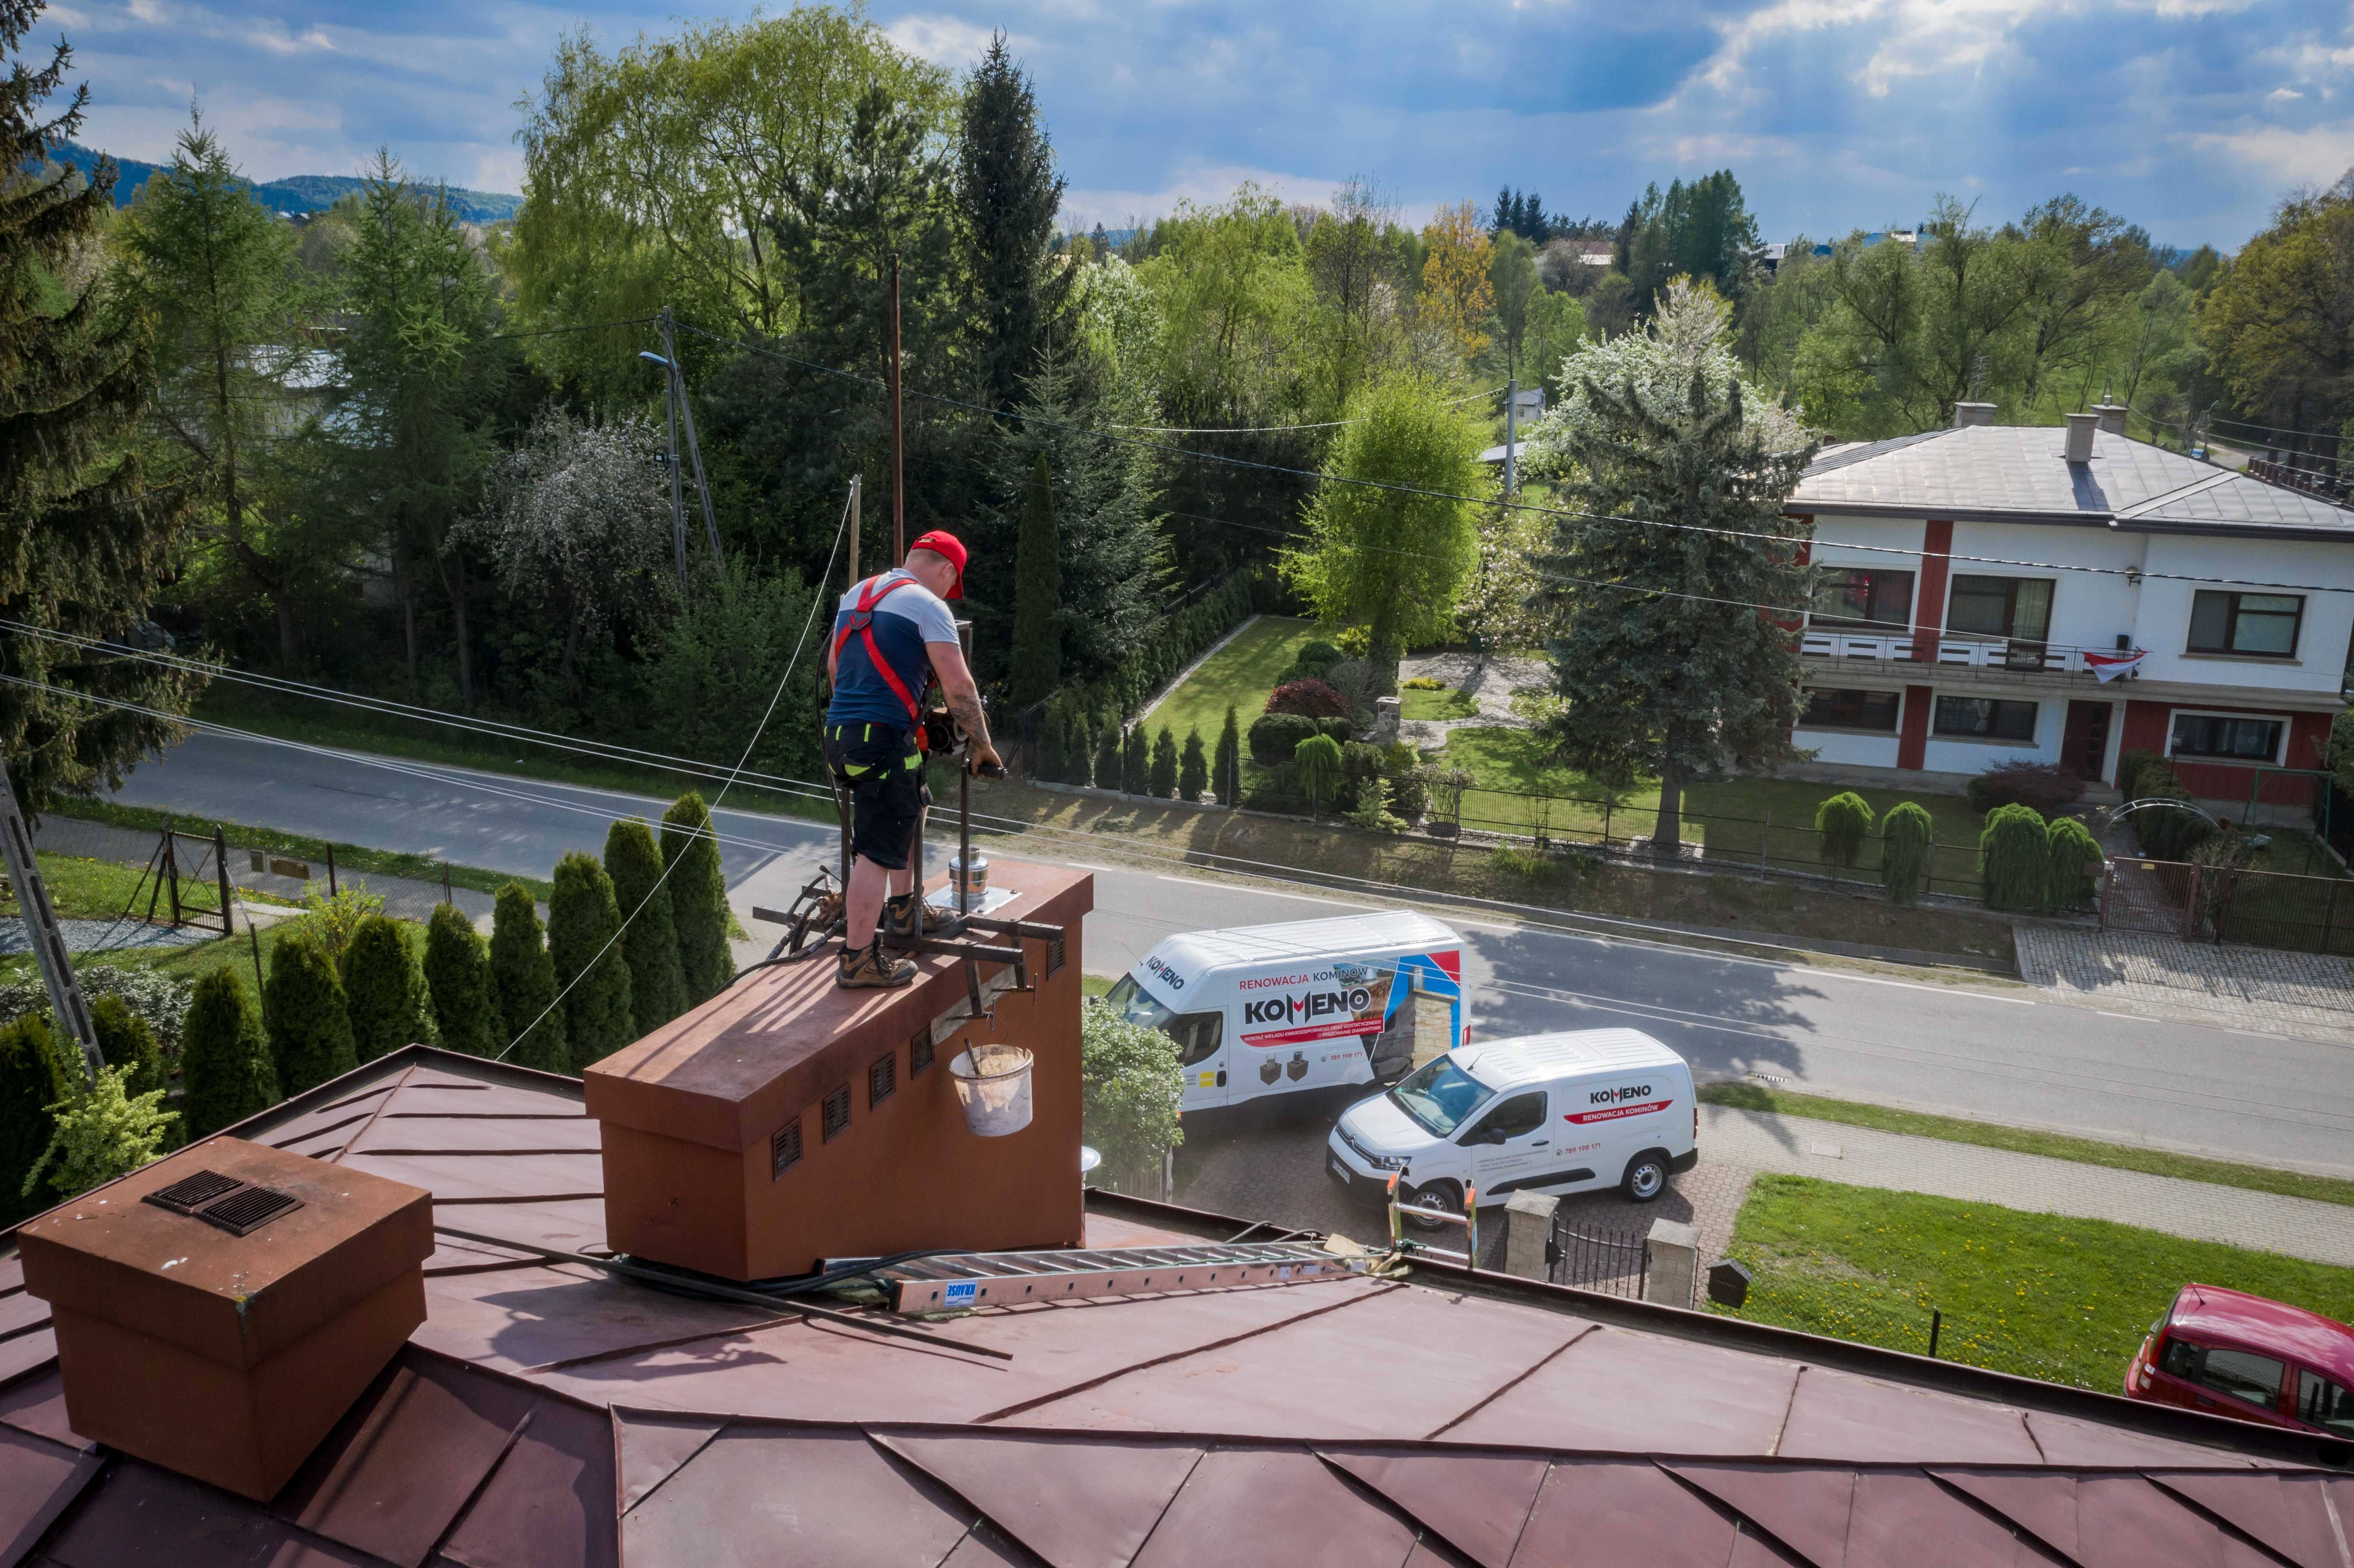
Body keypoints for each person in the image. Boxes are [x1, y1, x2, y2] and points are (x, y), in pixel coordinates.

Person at [823, 530, 1003, 988]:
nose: (948, 594)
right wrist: (981, 744)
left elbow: (836, 669)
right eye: (951, 584)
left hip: (843, 735)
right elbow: (957, 685)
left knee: (913, 803)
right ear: (947, 571)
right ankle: (858, 958)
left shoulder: (856, 595)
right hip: (881, 740)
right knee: (877, 850)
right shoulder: (928, 606)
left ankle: (903, 911)